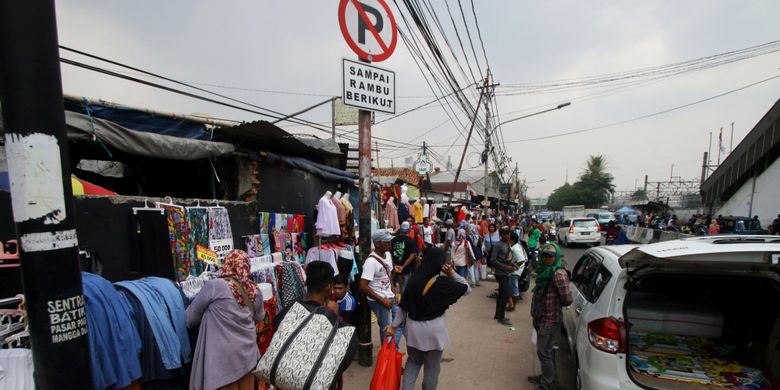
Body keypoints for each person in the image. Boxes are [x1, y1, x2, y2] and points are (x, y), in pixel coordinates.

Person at [386, 247, 470, 390]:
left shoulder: (413, 280)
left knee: (413, 361)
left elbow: (403, 308)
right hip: (434, 331)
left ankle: (406, 388)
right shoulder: (443, 283)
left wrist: (393, 327)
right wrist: (452, 273)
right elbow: (467, 289)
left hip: (413, 330)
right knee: (432, 368)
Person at [186, 250, 264, 390]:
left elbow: (189, 319)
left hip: (221, 361)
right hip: (247, 355)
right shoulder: (255, 290)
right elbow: (259, 317)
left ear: (227, 264)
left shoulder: (216, 286)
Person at [273, 261, 358, 390]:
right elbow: (343, 358)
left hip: (285, 381)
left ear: (306, 283)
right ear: (329, 287)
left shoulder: (285, 313)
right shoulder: (335, 323)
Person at [528, 243, 572, 390]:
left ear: (556, 257)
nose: (547, 258)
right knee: (543, 351)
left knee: (544, 351)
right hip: (540, 317)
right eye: (545, 255)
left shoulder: (558, 274)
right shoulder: (543, 270)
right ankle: (546, 377)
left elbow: (567, 299)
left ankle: (548, 383)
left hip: (550, 319)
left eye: (551, 256)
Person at [360, 229, 403, 348]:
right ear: (378, 243)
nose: (390, 244)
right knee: (387, 330)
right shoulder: (371, 262)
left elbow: (388, 275)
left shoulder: (388, 254)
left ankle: (391, 352)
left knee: (399, 324)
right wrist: (382, 300)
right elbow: (363, 286)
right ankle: (389, 360)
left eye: (390, 242)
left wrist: (394, 292)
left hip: (390, 297)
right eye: (386, 242)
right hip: (379, 300)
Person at [490, 228, 516, 326]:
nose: (509, 236)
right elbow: (493, 260)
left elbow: (506, 258)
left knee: (502, 294)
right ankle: (501, 317)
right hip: (500, 273)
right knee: (505, 295)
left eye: (509, 234)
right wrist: (506, 267)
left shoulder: (507, 244)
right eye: (507, 234)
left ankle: (498, 315)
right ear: (502, 235)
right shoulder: (498, 245)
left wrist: (512, 265)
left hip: (505, 272)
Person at [392, 222, 420, 294]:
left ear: (400, 229)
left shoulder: (394, 240)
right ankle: (403, 302)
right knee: (405, 287)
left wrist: (394, 265)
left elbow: (390, 253)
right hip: (407, 268)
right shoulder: (411, 241)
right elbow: (412, 255)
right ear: (409, 230)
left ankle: (401, 299)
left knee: (400, 287)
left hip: (396, 267)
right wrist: (403, 266)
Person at [506, 232, 528, 311]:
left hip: (515, 272)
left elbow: (521, 260)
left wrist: (514, 267)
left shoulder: (515, 248)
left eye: (508, 237)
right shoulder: (516, 246)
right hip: (517, 270)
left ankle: (512, 306)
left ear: (512, 240)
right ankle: (511, 305)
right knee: (512, 288)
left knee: (513, 289)